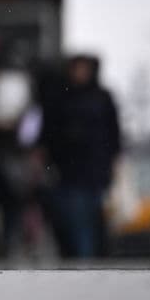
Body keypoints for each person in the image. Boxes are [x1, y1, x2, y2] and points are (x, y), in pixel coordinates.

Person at [40, 54, 121, 258]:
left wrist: (112, 163)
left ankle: (89, 259)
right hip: (67, 171)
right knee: (72, 219)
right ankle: (81, 259)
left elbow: (114, 134)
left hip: (95, 171)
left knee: (92, 218)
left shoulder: (102, 97)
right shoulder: (60, 98)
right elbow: (48, 133)